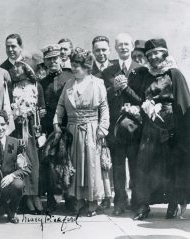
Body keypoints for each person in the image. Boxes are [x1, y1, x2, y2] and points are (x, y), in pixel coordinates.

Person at [132, 39, 190, 220]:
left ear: (164, 52)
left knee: (171, 166)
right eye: (149, 55)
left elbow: (183, 101)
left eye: (156, 53)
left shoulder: (174, 73)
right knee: (145, 164)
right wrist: (146, 104)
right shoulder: (147, 75)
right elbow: (141, 96)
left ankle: (173, 204)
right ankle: (143, 206)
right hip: (150, 126)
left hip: (170, 126)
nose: (153, 57)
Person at [53, 47, 110, 216]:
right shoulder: (69, 84)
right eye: (72, 64)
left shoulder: (97, 83)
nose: (73, 68)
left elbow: (104, 107)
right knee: (74, 165)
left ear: (86, 66)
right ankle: (77, 201)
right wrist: (56, 122)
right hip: (72, 130)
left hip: (91, 130)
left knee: (91, 165)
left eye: (77, 65)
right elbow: (61, 106)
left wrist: (103, 127)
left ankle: (92, 203)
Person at [101, 33, 142, 216]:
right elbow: (103, 99)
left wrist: (126, 88)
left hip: (135, 128)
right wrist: (115, 89)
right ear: (115, 48)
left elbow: (143, 99)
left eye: (127, 44)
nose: (124, 47)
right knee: (117, 167)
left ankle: (137, 201)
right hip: (115, 129)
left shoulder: (141, 70)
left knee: (135, 166)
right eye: (120, 45)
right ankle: (119, 202)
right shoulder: (108, 71)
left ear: (132, 46)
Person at [40, 44, 74, 211]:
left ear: (61, 58)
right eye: (49, 59)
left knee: (68, 162)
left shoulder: (71, 77)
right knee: (51, 165)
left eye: (55, 58)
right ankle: (52, 198)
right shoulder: (42, 82)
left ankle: (70, 198)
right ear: (45, 62)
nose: (52, 61)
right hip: (50, 129)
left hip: (69, 127)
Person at [9, 61, 45, 214]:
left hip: (32, 128)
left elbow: (42, 107)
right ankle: (26, 198)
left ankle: (35, 195)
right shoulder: (12, 87)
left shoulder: (36, 86)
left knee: (34, 162)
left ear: (25, 68)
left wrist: (34, 113)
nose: (14, 69)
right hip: (17, 128)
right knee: (21, 160)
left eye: (18, 66)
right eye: (14, 67)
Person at [0, 110, 32, 223]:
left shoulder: (15, 143)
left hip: (9, 188)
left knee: (18, 184)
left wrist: (12, 175)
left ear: (7, 124)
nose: (0, 128)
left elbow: (27, 167)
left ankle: (11, 211)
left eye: (2, 124)